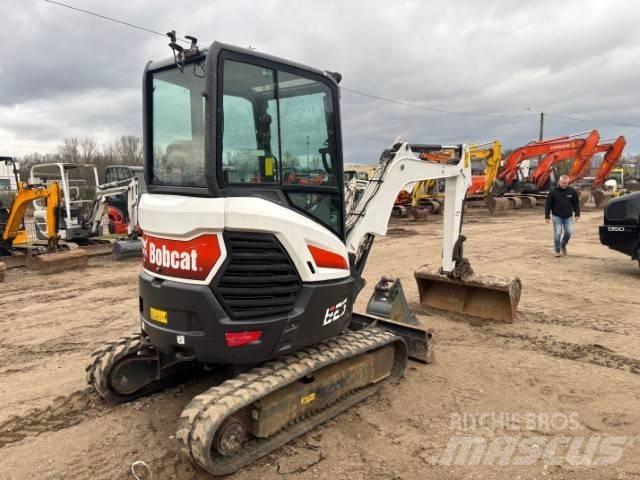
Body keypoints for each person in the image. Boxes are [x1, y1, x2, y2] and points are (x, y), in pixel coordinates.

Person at [545, 175, 580, 256]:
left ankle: (563, 245)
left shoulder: (572, 191)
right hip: (557, 216)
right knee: (557, 233)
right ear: (559, 182)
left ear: (568, 182)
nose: (564, 185)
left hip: (568, 216)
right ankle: (557, 250)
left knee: (568, 232)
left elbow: (576, 203)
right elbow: (548, 205)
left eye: (566, 183)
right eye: (562, 183)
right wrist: (547, 216)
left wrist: (577, 214)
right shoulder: (553, 192)